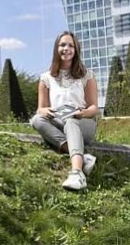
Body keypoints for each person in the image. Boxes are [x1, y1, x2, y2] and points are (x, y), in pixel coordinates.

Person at [31, 31, 99, 191]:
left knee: (71, 120)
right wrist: (45, 111)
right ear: (56, 48)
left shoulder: (87, 76)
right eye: (62, 45)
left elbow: (94, 108)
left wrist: (81, 113)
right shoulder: (45, 78)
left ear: (76, 50)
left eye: (70, 45)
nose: (66, 48)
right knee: (36, 119)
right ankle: (82, 158)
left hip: (84, 123)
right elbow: (40, 108)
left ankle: (77, 173)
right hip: (58, 120)